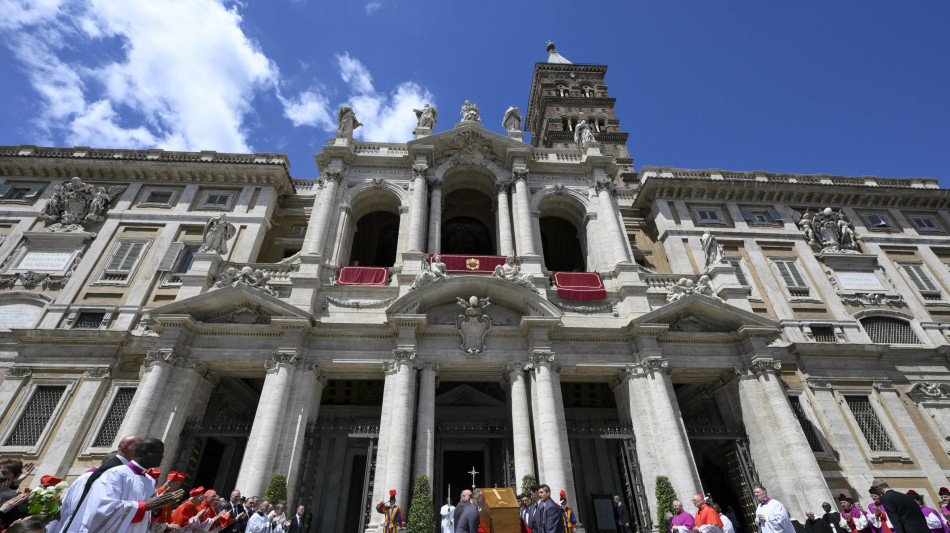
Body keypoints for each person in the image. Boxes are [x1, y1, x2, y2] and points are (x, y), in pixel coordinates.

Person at [69, 437, 185, 533]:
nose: (162, 457)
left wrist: (156, 509)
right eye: (159, 453)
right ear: (145, 451)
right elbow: (102, 507)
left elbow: (147, 519)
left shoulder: (150, 481)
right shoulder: (115, 473)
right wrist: (144, 506)